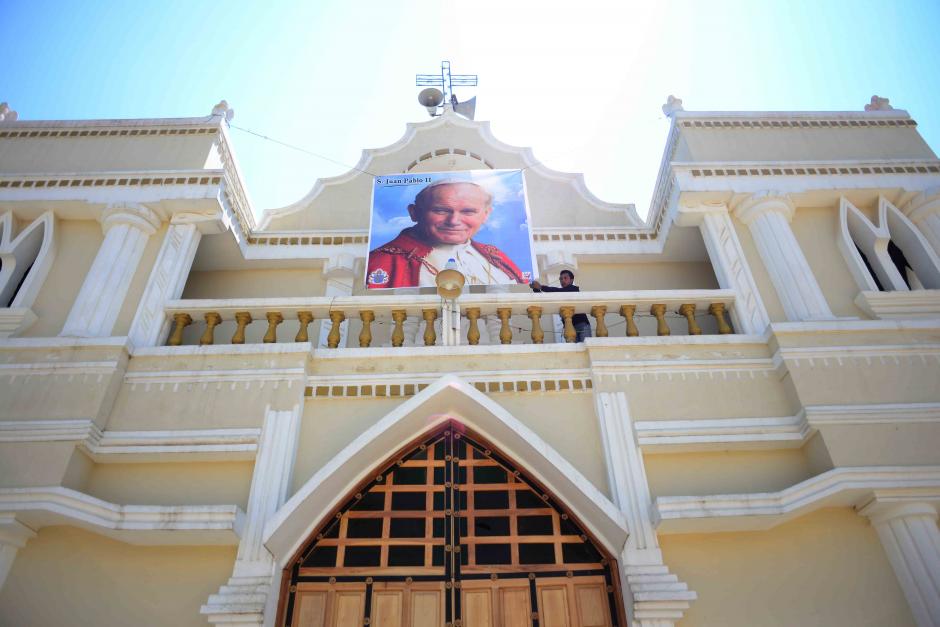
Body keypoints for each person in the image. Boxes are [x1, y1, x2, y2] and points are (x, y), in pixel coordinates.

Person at [367, 180, 527, 289]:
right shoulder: (382, 261)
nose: (454, 221)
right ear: (414, 213)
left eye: (468, 212)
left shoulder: (496, 257)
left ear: (485, 215)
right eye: (441, 210)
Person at [530, 270, 592, 342]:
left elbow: (557, 291)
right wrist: (536, 289)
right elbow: (545, 299)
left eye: (565, 278)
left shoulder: (574, 289)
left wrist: (541, 287)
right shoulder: (559, 294)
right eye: (561, 279)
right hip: (569, 327)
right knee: (574, 351)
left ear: (571, 280)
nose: (563, 280)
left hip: (582, 325)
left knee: (586, 347)